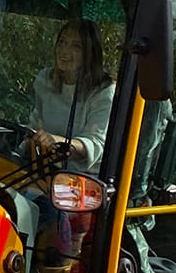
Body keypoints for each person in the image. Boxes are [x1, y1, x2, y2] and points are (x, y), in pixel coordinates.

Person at [30, 19, 114, 174]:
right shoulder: (45, 79)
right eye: (62, 42)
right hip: (43, 171)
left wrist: (57, 142)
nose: (64, 51)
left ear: (91, 53)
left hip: (81, 181)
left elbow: (94, 143)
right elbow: (36, 125)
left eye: (76, 46)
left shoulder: (103, 92)